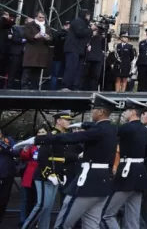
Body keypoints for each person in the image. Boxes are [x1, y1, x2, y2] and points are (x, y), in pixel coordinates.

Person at [13, 95, 119, 228]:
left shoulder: (98, 130)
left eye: (94, 109)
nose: (92, 112)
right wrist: (83, 124)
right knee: (91, 223)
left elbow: (68, 138)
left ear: (101, 112)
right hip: (103, 182)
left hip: (87, 181)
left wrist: (36, 140)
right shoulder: (111, 129)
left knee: (63, 222)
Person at [101, 98, 147, 228]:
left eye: (127, 110)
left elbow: (109, 133)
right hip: (140, 172)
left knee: (106, 215)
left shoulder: (127, 128)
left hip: (127, 172)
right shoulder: (145, 129)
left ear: (133, 112)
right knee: (133, 217)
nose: (124, 113)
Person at [22, 111, 74, 229]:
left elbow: (61, 157)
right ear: (59, 121)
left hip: (56, 175)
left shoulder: (62, 135)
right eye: (67, 120)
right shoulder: (51, 135)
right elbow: (42, 156)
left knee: (48, 207)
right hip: (44, 175)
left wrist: (62, 173)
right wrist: (49, 173)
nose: (69, 122)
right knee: (42, 206)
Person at [19, 126, 47, 225]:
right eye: (39, 132)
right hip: (30, 175)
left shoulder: (49, 145)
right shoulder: (32, 144)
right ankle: (24, 220)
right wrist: (26, 148)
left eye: (43, 132)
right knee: (26, 199)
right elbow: (24, 157)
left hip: (42, 175)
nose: (41, 134)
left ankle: (36, 221)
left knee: (39, 200)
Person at [62, 9, 92, 91]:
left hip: (80, 50)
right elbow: (80, 33)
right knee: (71, 67)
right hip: (73, 49)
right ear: (86, 15)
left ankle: (75, 86)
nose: (90, 18)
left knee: (78, 70)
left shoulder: (84, 24)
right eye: (89, 16)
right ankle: (66, 86)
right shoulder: (77, 21)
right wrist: (91, 29)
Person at [21, 11, 52, 90]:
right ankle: (24, 86)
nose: (41, 19)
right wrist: (34, 36)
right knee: (28, 69)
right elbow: (26, 35)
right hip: (32, 50)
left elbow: (51, 39)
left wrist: (48, 38)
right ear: (36, 17)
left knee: (37, 71)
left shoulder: (47, 27)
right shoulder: (29, 25)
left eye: (43, 18)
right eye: (40, 17)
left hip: (42, 51)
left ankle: (34, 87)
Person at [81, 22, 106, 91]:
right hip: (88, 58)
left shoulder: (100, 37)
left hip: (97, 59)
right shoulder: (88, 36)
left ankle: (93, 90)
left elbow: (106, 39)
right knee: (86, 76)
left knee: (95, 76)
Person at [0, 127, 16, 225]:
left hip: (6, 174)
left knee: (3, 198)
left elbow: (16, 152)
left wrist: (4, 147)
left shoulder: (8, 139)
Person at [50, 21, 69, 90]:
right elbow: (54, 39)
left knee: (63, 75)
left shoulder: (71, 35)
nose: (68, 27)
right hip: (57, 57)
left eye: (69, 25)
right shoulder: (59, 33)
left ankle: (60, 89)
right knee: (55, 75)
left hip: (66, 58)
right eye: (67, 25)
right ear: (64, 26)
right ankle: (53, 90)